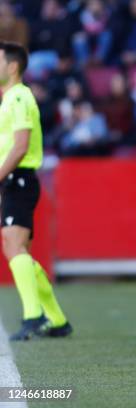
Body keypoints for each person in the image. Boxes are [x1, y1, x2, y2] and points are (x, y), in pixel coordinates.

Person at [0, 41, 72, 341]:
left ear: (12, 66)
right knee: (19, 251)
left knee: (13, 247)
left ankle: (33, 316)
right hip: (13, 180)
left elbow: (20, 146)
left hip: (18, 178)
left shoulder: (18, 97)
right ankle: (56, 319)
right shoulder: (11, 98)